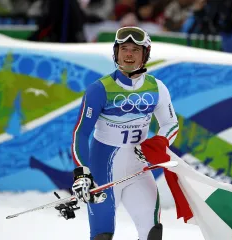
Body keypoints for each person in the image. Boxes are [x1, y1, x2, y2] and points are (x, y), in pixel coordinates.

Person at [70, 26, 179, 240]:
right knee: (103, 235)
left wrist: (157, 144)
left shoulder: (157, 87)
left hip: (138, 171)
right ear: (116, 53)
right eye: (124, 49)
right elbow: (81, 133)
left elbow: (170, 123)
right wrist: (82, 173)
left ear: (145, 54)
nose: (128, 54)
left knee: (152, 233)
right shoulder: (99, 89)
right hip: (102, 174)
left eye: (135, 50)